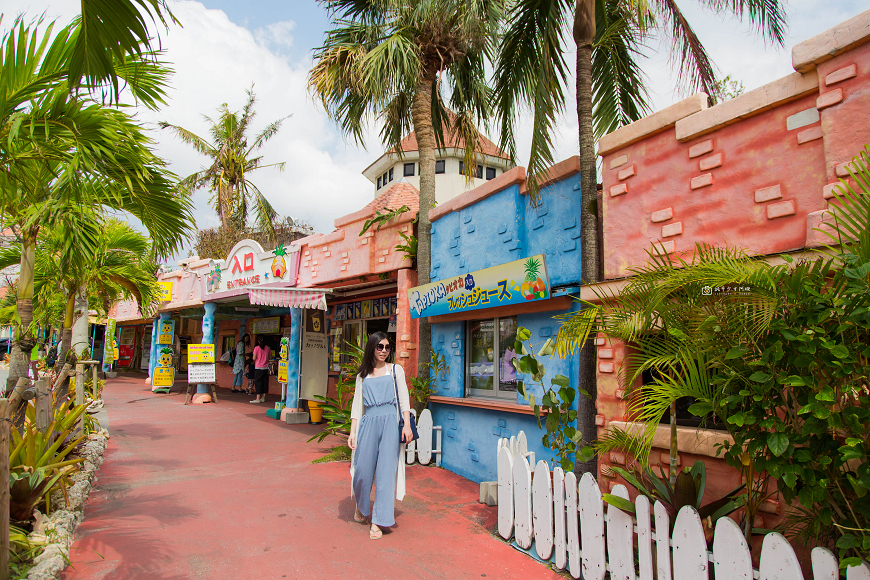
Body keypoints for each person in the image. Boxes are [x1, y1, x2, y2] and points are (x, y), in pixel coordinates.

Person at [348, 332, 413, 540]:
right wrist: (352, 431)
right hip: (369, 423)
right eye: (380, 347)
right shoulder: (362, 375)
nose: (384, 351)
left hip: (389, 424)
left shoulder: (395, 371)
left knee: (386, 473)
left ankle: (379, 520)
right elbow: (357, 405)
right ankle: (361, 506)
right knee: (362, 471)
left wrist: (407, 425)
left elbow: (404, 398)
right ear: (372, 348)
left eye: (387, 347)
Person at [250, 336, 271, 403]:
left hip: (258, 368)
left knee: (258, 383)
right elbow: (270, 357)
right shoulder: (268, 348)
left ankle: (257, 398)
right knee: (265, 383)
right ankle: (263, 397)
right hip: (266, 368)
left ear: (258, 341)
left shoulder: (256, 348)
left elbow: (254, 358)